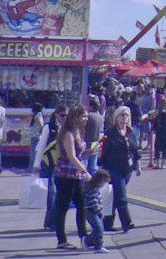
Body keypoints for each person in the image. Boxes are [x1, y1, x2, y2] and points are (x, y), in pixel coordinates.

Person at [53, 104, 90, 250]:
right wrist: (85, 172)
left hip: (76, 174)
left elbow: (78, 154)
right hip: (65, 175)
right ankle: (61, 240)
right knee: (62, 207)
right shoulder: (68, 132)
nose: (86, 119)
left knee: (82, 206)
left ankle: (83, 238)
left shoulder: (78, 131)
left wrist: (89, 151)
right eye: (84, 116)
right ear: (76, 117)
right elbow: (71, 156)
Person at [100, 106, 140, 233]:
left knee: (115, 196)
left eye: (127, 115)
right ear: (116, 118)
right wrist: (103, 168)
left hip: (127, 169)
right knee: (122, 196)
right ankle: (126, 222)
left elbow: (134, 149)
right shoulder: (110, 133)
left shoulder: (130, 132)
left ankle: (107, 222)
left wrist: (137, 164)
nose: (125, 117)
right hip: (114, 168)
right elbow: (104, 152)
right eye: (122, 115)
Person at [83, 168, 110, 253]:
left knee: (99, 229)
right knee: (99, 229)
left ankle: (92, 243)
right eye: (104, 182)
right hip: (92, 211)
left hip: (94, 211)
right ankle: (93, 243)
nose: (104, 185)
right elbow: (93, 202)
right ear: (100, 180)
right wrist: (99, 212)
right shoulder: (92, 189)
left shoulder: (93, 187)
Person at [85, 96, 105, 175]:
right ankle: (94, 181)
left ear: (91, 106)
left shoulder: (88, 116)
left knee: (85, 166)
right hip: (95, 143)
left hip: (87, 143)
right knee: (92, 167)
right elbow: (101, 132)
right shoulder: (100, 117)